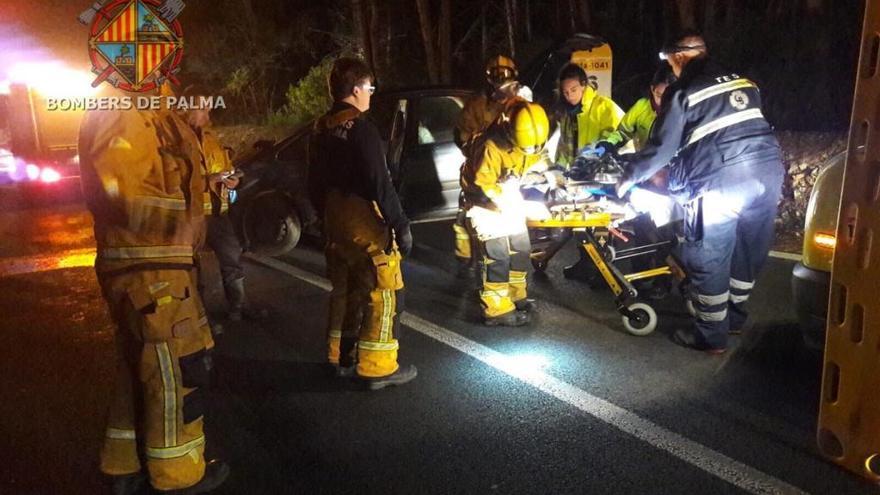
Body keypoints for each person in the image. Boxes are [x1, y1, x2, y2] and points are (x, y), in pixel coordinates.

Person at [79, 84, 228, 494]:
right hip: (148, 265)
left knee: (139, 368)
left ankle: (123, 464)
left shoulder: (154, 109)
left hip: (162, 262)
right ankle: (177, 474)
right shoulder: (121, 107)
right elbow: (124, 192)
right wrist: (180, 223)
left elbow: (177, 182)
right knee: (174, 371)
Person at [616, 31, 784, 354]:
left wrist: (628, 177)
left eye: (669, 62)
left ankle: (710, 335)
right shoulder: (744, 83)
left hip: (720, 183)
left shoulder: (683, 93)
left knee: (710, 256)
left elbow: (661, 149)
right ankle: (734, 318)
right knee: (748, 251)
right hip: (767, 175)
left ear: (678, 58)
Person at [308, 57, 417, 389]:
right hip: (362, 221)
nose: (371, 94)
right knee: (383, 291)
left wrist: (324, 218)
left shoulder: (321, 128)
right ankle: (377, 367)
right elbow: (379, 183)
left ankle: (338, 356)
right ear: (355, 90)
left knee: (344, 289)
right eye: (369, 88)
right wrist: (400, 224)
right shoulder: (363, 129)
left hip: (334, 220)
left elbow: (312, 181)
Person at [461, 101, 552, 327]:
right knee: (497, 254)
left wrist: (551, 176)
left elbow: (538, 160)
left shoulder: (530, 139)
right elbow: (485, 183)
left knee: (521, 247)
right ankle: (496, 309)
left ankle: (515, 295)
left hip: (506, 198)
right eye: (527, 147)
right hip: (484, 203)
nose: (531, 151)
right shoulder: (490, 146)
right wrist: (506, 203)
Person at [183, 85, 266, 323]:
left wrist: (234, 181)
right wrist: (206, 180)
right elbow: (172, 177)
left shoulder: (210, 138)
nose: (208, 115)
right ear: (188, 108)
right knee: (191, 268)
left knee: (232, 258)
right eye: (203, 109)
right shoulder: (177, 138)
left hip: (218, 212)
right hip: (191, 214)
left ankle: (238, 307)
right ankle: (198, 318)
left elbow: (225, 166)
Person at [452, 55, 523, 276]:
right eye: (496, 76)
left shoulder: (518, 103)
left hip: (508, 172)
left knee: (511, 228)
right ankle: (469, 261)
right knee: (475, 219)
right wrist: (481, 151)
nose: (501, 81)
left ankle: (508, 271)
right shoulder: (477, 105)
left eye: (505, 76)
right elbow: (462, 137)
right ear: (489, 78)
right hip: (480, 170)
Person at [553, 63, 625, 169]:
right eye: (565, 92)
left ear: (583, 84)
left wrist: (601, 151)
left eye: (573, 90)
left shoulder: (604, 106)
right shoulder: (566, 116)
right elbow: (564, 148)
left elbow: (622, 135)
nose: (570, 96)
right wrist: (558, 169)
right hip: (577, 175)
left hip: (603, 174)